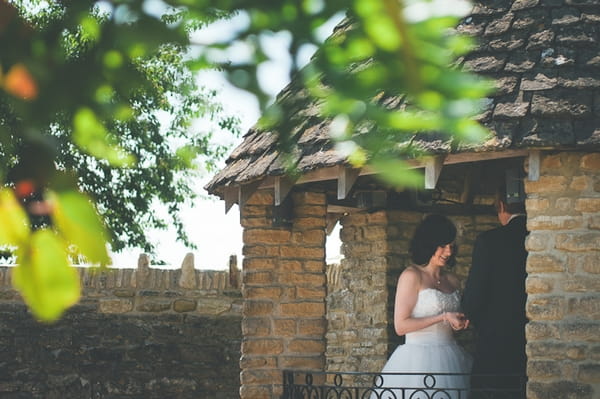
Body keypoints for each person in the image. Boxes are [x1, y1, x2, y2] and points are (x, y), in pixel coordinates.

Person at [371, 214, 472, 399]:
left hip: (451, 357)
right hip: (417, 360)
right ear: (429, 244)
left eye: (451, 246)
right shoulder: (411, 276)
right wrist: (442, 317)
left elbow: (453, 321)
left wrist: (460, 323)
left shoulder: (452, 280)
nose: (448, 252)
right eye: (442, 246)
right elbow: (401, 326)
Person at [461, 181, 528, 398]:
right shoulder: (544, 236)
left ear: (500, 206)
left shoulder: (489, 241)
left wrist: (471, 315)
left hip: (497, 341)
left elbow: (475, 294)